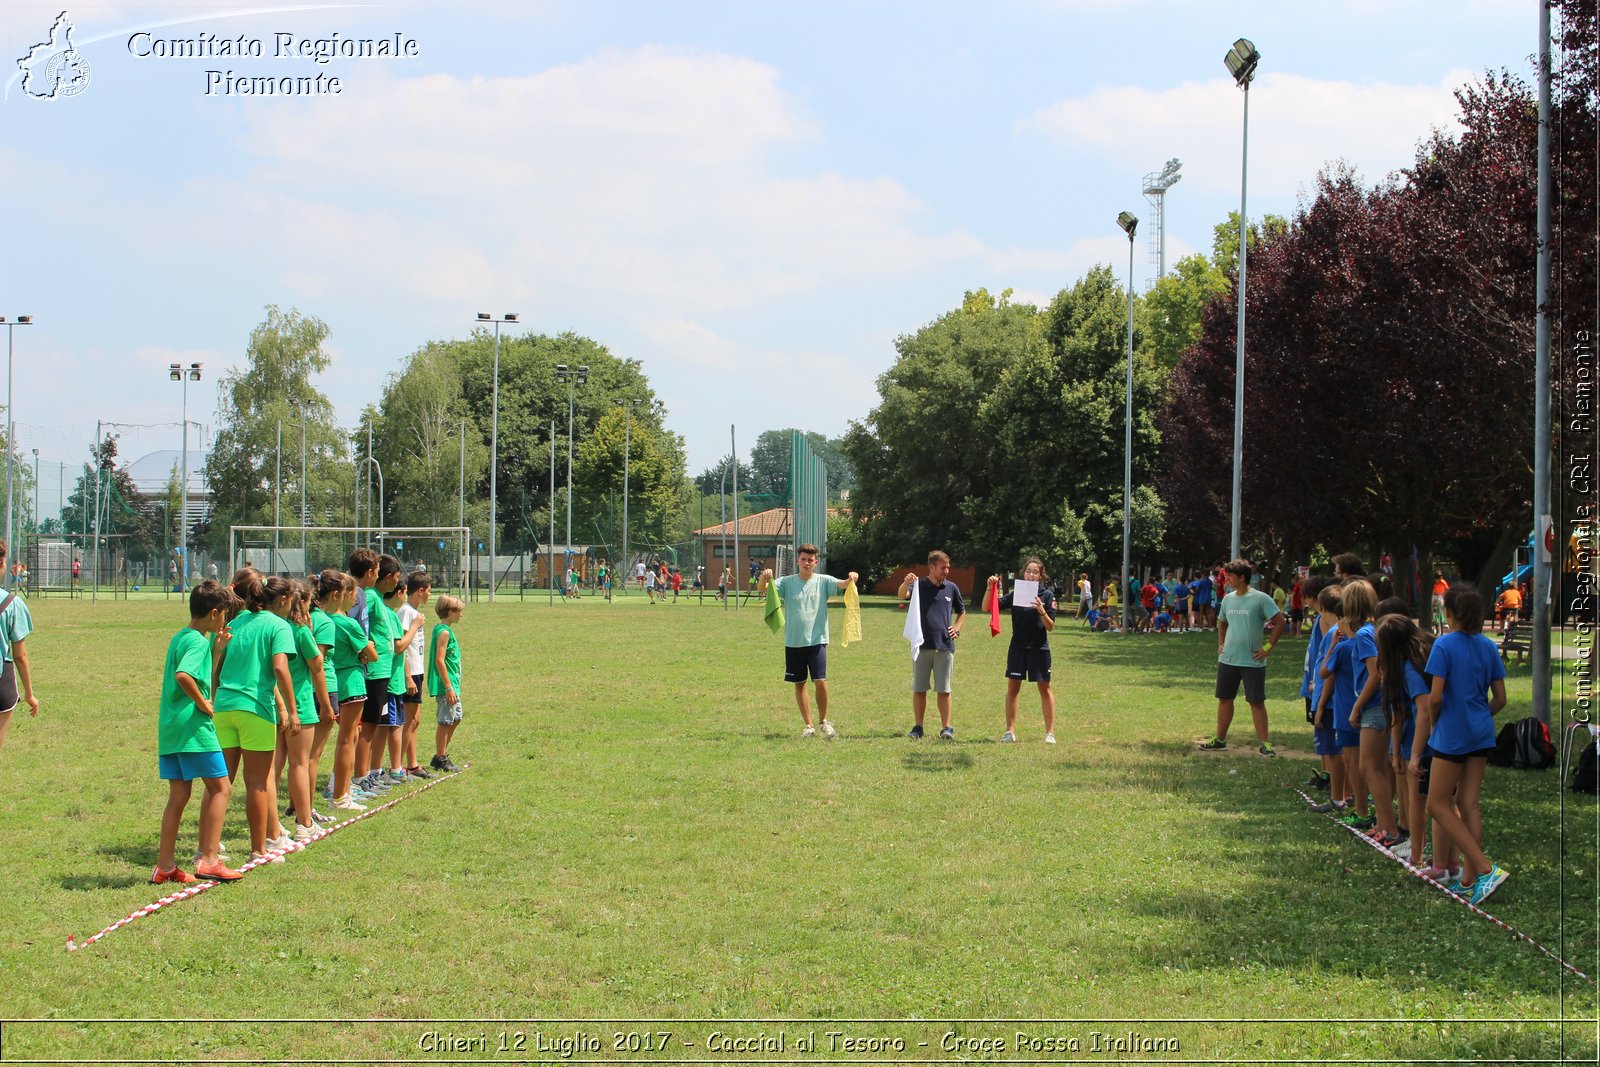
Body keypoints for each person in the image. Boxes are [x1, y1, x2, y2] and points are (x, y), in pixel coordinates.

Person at [1421, 585, 1509, 905]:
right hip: (1481, 733)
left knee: (1437, 804)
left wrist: (1435, 722)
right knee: (1469, 804)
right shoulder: (1488, 647)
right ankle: (1470, 880)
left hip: (1452, 734)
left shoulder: (1443, 645)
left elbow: (1435, 696)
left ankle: (1484, 869)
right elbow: (1500, 699)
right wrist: (1478, 717)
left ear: (1451, 614)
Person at [153, 580, 242, 884]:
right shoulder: (196, 642)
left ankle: (164, 866)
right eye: (224, 615)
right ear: (214, 613)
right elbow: (184, 676)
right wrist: (203, 701)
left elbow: (198, 670)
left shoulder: (183, 637)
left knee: (179, 795)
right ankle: (210, 859)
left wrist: (216, 652)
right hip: (194, 729)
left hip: (172, 729)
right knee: (221, 787)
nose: (225, 622)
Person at [213, 572, 298, 865]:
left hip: (224, 707)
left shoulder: (234, 623)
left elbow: (218, 664)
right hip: (256, 710)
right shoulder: (278, 625)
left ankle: (207, 849)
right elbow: (280, 668)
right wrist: (293, 708)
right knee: (259, 784)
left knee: (220, 784)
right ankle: (259, 850)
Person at [758, 544, 858, 739]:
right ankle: (808, 725)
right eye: (803, 559)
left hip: (817, 640)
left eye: (810, 560)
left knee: (820, 681)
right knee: (800, 683)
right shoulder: (786, 582)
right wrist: (764, 577)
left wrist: (851, 578)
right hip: (794, 642)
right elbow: (762, 588)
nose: (806, 563)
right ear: (797, 560)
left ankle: (824, 721)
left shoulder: (823, 581)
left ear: (816, 562)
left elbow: (843, 584)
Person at [1200, 559, 1284, 755]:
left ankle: (1265, 744)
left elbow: (1279, 622)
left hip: (1252, 661)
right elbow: (1222, 622)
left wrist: (1268, 647)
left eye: (1230, 576)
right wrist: (1221, 643)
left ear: (1242, 577)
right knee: (1224, 699)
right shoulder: (1228, 599)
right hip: (1228, 660)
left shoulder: (1261, 598)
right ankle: (1220, 740)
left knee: (1256, 702)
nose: (1226, 579)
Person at [280, 579, 334, 845]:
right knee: (300, 764)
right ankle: (305, 823)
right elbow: (317, 663)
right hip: (299, 706)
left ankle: (274, 828)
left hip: (274, 705)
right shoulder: (300, 631)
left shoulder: (276, 627)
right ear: (301, 603)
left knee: (273, 769)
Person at [1377, 612, 1433, 866]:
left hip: (1421, 743)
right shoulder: (1419, 658)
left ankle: (1418, 853)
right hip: (1420, 741)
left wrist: (1415, 752)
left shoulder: (1409, 669)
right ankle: (1419, 847)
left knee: (1418, 802)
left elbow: (1424, 708)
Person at [988, 558, 1057, 743]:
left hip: (1039, 648)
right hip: (1018, 647)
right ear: (1023, 573)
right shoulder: (1016, 593)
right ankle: (1009, 731)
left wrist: (1041, 610)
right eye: (1028, 571)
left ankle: (1050, 733)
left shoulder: (1047, 595)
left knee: (1045, 688)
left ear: (1040, 575)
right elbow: (989, 606)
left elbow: (1050, 626)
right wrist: (990, 588)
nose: (1031, 575)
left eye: (1035, 572)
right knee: (1013, 688)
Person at [899, 550, 966, 740]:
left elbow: (962, 611)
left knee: (944, 690)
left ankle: (947, 728)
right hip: (922, 645)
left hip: (944, 646)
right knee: (920, 689)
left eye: (948, 567)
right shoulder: (919, 587)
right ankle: (918, 727)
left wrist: (957, 628)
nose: (946, 571)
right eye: (943, 567)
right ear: (932, 567)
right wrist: (906, 583)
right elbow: (902, 595)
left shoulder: (951, 588)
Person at [327, 574, 376, 812]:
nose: (356, 598)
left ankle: (342, 790)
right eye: (353, 594)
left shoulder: (318, 620)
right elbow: (372, 654)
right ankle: (341, 795)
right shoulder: (347, 623)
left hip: (330, 683)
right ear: (342, 595)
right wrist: (365, 652)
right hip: (352, 683)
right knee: (348, 739)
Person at [0, 540, 39, 761]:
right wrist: (29, 694)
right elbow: (20, 656)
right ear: (3, 563)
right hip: (2, 682)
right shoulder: (12, 604)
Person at [397, 571, 432, 779]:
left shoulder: (414, 613)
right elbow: (400, 647)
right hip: (410, 674)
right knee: (408, 720)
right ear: (420, 591)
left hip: (418, 671)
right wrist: (408, 676)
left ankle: (412, 764)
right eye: (428, 591)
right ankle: (398, 766)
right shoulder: (406, 613)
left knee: (415, 720)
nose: (429, 595)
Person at [427, 595, 467, 772]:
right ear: (450, 612)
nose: (461, 615)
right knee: (445, 721)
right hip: (446, 686)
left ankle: (441, 754)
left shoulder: (446, 630)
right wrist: (448, 687)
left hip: (453, 684)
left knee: (456, 718)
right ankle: (441, 757)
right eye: (459, 611)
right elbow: (440, 661)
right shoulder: (443, 632)